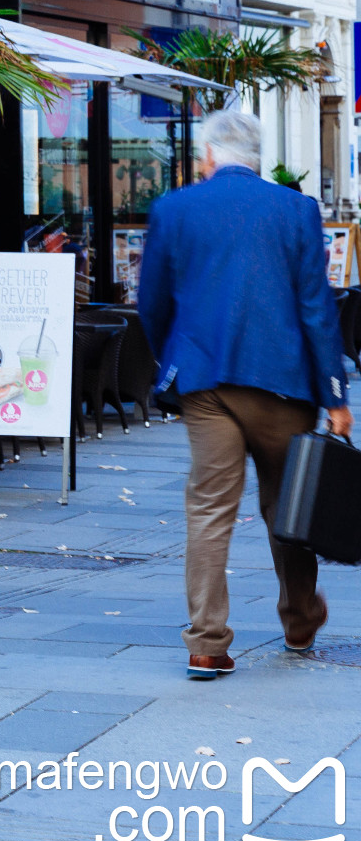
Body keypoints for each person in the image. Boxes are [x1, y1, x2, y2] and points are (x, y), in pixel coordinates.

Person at [137, 107, 351, 679]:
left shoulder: (175, 207)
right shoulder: (296, 209)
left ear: (208, 156)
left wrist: (172, 359)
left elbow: (151, 301)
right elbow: (316, 307)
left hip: (205, 382)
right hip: (283, 383)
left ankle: (206, 642)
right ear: (256, 159)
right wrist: (335, 392)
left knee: (209, 509)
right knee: (289, 505)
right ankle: (300, 620)